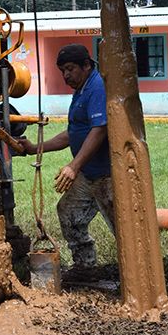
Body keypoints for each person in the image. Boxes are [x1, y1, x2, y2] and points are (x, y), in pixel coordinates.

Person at [18, 44, 115, 279]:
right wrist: (35, 148)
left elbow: (100, 130)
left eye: (70, 69)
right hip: (89, 174)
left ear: (86, 65)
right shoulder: (81, 90)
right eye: (63, 70)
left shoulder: (97, 87)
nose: (66, 75)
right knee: (68, 211)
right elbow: (73, 133)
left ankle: (139, 275)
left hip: (107, 174)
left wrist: (73, 166)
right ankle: (85, 266)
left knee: (122, 229)